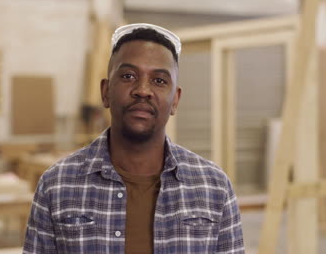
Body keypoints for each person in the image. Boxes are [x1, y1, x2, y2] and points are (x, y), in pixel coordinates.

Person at [23, 23, 244, 254]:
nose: (143, 90)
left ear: (175, 100)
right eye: (128, 76)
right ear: (106, 92)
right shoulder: (57, 186)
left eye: (159, 80)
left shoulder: (214, 188)